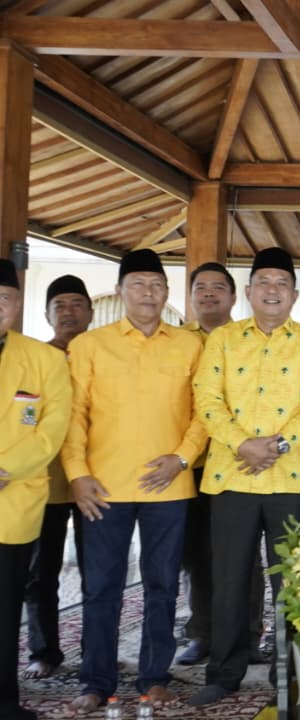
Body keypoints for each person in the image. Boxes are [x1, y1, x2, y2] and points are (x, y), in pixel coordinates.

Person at [62, 249, 207, 713]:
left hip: (171, 486)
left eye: (157, 285)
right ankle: (95, 681)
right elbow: (73, 415)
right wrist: (77, 475)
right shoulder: (89, 345)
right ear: (121, 291)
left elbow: (205, 413)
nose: (149, 293)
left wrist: (183, 459)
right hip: (102, 487)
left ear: (167, 293)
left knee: (163, 584)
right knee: (100, 587)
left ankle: (155, 676)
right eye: (139, 284)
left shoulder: (190, 345)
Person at [188, 247, 300, 707]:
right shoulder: (223, 340)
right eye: (263, 282)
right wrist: (241, 443)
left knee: (291, 580)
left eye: (282, 283)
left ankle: (287, 671)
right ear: (248, 292)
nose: (272, 290)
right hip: (232, 476)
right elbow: (206, 399)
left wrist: (279, 445)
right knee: (229, 577)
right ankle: (225, 671)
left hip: (291, 476)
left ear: (292, 294)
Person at [177, 262, 267, 668]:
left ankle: (249, 633)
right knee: (198, 554)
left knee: (242, 555)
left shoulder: (248, 339)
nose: (209, 294)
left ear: (235, 296)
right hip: (188, 465)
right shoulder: (174, 342)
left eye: (218, 287)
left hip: (238, 463)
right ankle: (201, 632)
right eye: (201, 287)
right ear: (191, 294)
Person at [0, 259, 72, 720]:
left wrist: (5, 467)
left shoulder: (44, 359)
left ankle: (5, 700)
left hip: (14, 498)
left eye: (4, 299)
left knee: (7, 606)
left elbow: (54, 428)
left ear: (18, 304)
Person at [22, 275, 90, 680]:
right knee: (39, 573)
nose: (68, 312)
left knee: (98, 569)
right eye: (60, 305)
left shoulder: (101, 354)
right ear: (47, 313)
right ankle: (44, 650)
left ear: (91, 312)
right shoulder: (32, 358)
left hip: (93, 480)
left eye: (76, 304)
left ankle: (96, 649)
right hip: (42, 482)